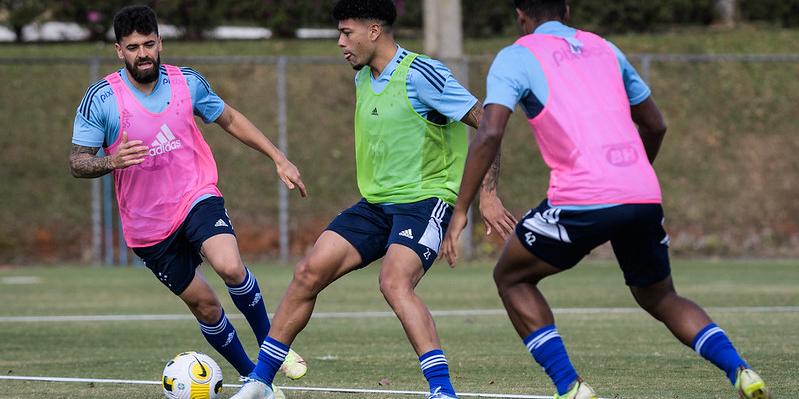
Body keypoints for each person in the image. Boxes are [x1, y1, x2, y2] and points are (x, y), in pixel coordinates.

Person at [441, 1, 772, 399]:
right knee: (660, 295)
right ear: (566, 8)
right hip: (641, 192)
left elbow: (489, 134)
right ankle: (741, 370)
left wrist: (461, 211)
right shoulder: (605, 47)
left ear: (520, 15)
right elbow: (656, 123)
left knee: (511, 278)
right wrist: (628, 181)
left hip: (580, 196)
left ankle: (571, 387)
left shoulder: (516, 56)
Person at [231, 0, 515, 398]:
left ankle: (442, 391)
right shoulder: (363, 76)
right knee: (307, 273)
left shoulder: (422, 73)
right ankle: (260, 381)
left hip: (424, 201)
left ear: (374, 31)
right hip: (376, 206)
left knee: (394, 282)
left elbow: (488, 123)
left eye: (346, 33)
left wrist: (487, 196)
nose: (340, 42)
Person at [68, 5, 309, 393]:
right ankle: (255, 380)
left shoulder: (186, 83)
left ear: (160, 42)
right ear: (119, 50)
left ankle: (272, 350)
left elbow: (228, 118)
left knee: (230, 267)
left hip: (196, 195)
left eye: (149, 44)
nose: (143, 54)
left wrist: (278, 157)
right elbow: (77, 162)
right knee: (206, 306)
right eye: (133, 47)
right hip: (148, 227)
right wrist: (112, 160)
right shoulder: (102, 98)